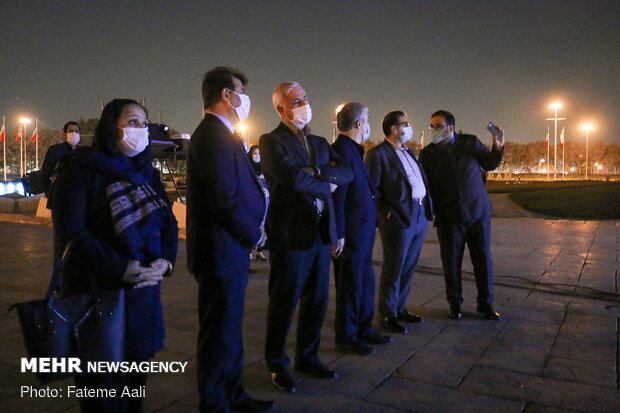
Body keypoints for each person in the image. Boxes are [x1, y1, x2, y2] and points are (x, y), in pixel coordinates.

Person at [50, 99, 178, 412]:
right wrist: (122, 267)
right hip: (96, 297)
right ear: (111, 126)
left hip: (141, 298)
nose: (142, 130)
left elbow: (169, 222)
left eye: (145, 124)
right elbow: (74, 234)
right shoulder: (79, 169)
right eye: (133, 122)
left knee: (134, 389)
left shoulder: (147, 173)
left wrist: (166, 261)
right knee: (101, 393)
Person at [186, 67, 273, 413]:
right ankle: (215, 402)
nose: (244, 98)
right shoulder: (211, 135)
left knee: (229, 330)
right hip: (219, 250)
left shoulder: (223, 134)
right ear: (226, 95)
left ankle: (233, 395)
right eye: (240, 90)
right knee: (219, 332)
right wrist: (255, 234)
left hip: (229, 248)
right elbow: (224, 197)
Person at [260, 81, 352, 393]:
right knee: (284, 302)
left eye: (305, 97)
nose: (303, 103)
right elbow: (290, 179)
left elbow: (347, 174)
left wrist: (335, 230)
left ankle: (308, 357)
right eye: (296, 100)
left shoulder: (321, 142)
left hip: (321, 234)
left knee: (316, 301)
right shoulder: (271, 141)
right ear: (281, 108)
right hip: (290, 236)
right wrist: (324, 178)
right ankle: (277, 364)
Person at [418, 110, 504, 320]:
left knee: (482, 261)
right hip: (448, 217)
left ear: (450, 127)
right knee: (451, 263)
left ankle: (486, 304)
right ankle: (454, 304)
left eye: (438, 126)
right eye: (431, 126)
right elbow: (426, 186)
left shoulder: (469, 143)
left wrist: (498, 146)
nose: (434, 130)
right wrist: (430, 212)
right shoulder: (428, 154)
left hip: (477, 213)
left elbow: (490, 163)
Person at [331, 102, 393, 355]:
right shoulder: (341, 152)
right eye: (367, 119)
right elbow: (337, 196)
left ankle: (363, 328)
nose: (368, 124)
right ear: (358, 124)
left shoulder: (354, 151)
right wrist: (339, 235)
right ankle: (347, 335)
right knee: (350, 286)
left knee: (364, 283)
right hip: (351, 235)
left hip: (362, 232)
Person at [365, 111, 432, 334]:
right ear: (394, 129)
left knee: (409, 266)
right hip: (398, 217)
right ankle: (387, 313)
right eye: (406, 123)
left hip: (419, 213)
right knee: (394, 266)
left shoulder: (408, 151)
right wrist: (387, 214)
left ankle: (400, 307)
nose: (409, 126)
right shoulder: (378, 154)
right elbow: (372, 190)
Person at [41, 121, 81, 196]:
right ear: (65, 134)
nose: (74, 134)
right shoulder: (55, 150)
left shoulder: (83, 152)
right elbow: (45, 174)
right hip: (60, 195)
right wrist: (51, 193)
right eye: (71, 131)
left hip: (78, 196)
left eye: (76, 131)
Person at [249, 145, 269, 261]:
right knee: (253, 223)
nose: (257, 156)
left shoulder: (264, 167)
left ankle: (259, 250)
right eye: (255, 154)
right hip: (253, 199)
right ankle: (249, 250)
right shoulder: (248, 168)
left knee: (263, 224)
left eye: (259, 154)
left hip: (266, 198)